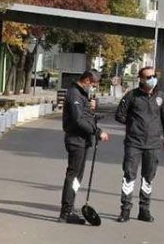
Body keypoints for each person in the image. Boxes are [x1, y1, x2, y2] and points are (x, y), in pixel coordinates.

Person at [114, 66, 164, 223]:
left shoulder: (161, 97)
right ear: (140, 78)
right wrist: (133, 124)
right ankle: (125, 210)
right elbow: (119, 115)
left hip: (153, 144)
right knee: (129, 176)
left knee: (148, 178)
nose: (152, 79)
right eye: (148, 77)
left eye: (153, 76)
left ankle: (144, 210)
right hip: (134, 143)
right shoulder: (132, 96)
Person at [60, 69, 109, 224]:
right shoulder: (74, 93)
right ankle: (66, 212)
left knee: (77, 177)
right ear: (87, 80)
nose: (93, 87)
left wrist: (92, 109)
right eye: (93, 84)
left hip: (83, 140)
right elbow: (78, 120)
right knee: (73, 175)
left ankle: (70, 207)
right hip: (76, 140)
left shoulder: (82, 94)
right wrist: (97, 131)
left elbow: (85, 115)